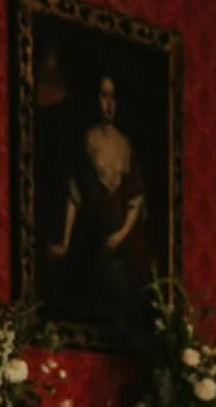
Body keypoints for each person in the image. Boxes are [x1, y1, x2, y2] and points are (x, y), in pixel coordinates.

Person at [48, 74, 153, 321]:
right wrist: (64, 242)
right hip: (92, 235)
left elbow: (134, 200)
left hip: (121, 239)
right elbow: (74, 197)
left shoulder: (124, 145)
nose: (108, 104)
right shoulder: (85, 141)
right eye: (103, 96)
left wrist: (120, 235)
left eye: (112, 97)